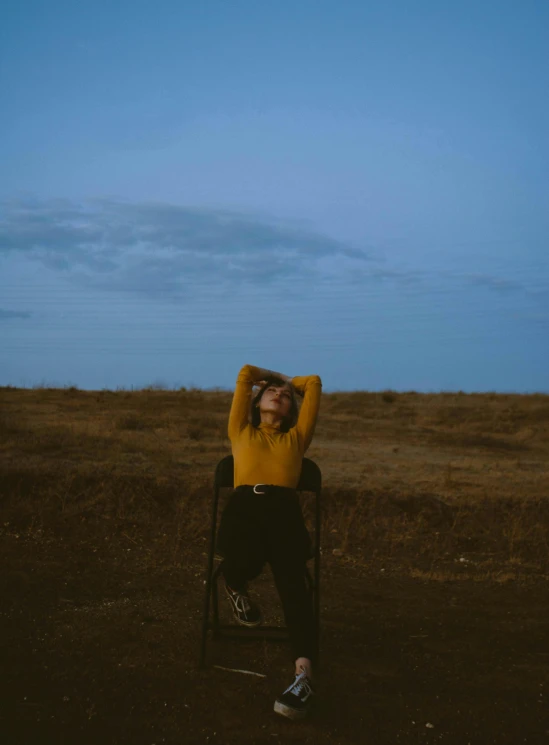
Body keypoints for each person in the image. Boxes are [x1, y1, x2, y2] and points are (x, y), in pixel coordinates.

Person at [216, 363, 322, 720]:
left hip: (284, 513)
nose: (280, 395)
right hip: (245, 508)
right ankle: (234, 582)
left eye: (287, 396)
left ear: (293, 410)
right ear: (257, 400)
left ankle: (303, 677)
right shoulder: (240, 430)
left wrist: (289, 382)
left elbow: (316, 383)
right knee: (243, 556)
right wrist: (268, 380)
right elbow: (244, 372)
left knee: (294, 585)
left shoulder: (297, 438)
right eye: (271, 392)